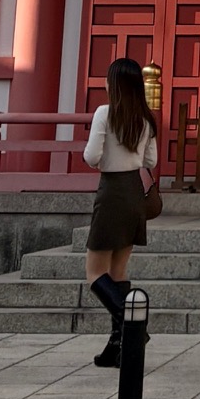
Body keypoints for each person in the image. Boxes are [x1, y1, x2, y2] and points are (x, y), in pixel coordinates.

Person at [83, 57, 158, 367]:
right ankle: (118, 347)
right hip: (134, 193)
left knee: (94, 273)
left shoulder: (105, 113)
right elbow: (150, 162)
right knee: (118, 272)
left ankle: (132, 326)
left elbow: (91, 156)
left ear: (113, 85)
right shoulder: (145, 118)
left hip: (112, 190)